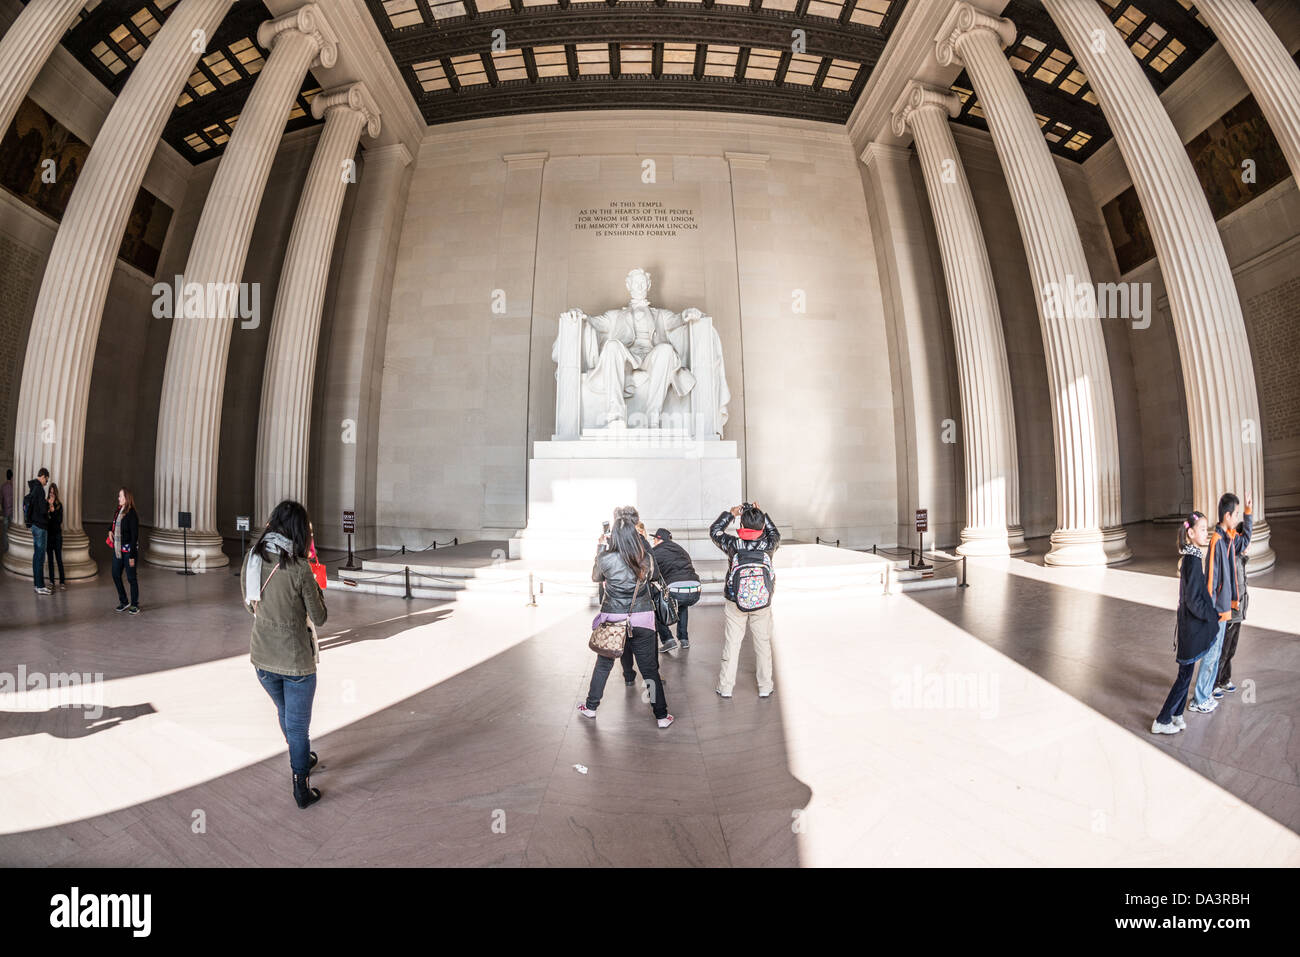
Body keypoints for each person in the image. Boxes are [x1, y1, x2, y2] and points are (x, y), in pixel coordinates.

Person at [241, 500, 328, 808]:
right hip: (295, 662)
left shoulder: (252, 558)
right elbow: (319, 617)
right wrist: (315, 587)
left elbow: (249, 603)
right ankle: (301, 787)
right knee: (298, 726)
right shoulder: (301, 568)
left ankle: (299, 753)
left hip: (262, 657)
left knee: (285, 714)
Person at [579, 507, 673, 728]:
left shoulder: (606, 558)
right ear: (635, 534)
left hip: (613, 618)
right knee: (649, 668)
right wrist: (643, 544)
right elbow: (656, 576)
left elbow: (595, 576)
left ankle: (591, 707)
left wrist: (601, 546)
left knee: (603, 663)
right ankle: (661, 716)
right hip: (642, 617)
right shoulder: (645, 558)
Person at [1152, 512, 1221, 734]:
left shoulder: (1193, 556)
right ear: (1190, 533)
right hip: (1190, 629)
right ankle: (1162, 720)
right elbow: (1192, 600)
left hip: (1189, 627)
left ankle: (1176, 714)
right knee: (1184, 677)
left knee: (1186, 673)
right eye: (1201, 529)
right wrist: (1210, 615)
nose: (1205, 532)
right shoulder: (1191, 560)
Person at [1189, 493, 1252, 713]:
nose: (1237, 519)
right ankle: (1199, 699)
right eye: (1236, 515)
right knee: (1211, 657)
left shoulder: (1229, 537)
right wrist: (1211, 612)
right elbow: (1211, 580)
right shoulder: (1217, 540)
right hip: (1217, 611)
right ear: (1226, 516)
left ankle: (1204, 695)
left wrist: (1247, 513)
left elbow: (1244, 541)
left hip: (1225, 608)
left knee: (1215, 657)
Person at [711, 502, 780, 699]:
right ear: (761, 526)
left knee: (732, 644)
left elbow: (714, 531)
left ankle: (725, 687)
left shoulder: (733, 545)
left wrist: (731, 514)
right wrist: (761, 514)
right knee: (763, 644)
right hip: (762, 602)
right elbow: (775, 533)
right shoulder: (769, 544)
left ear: (742, 525)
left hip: (735, 601)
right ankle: (765, 686)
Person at [1214, 513, 1252, 700]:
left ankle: (1224, 679)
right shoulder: (1233, 558)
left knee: (1231, 649)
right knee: (1223, 649)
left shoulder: (1242, 560)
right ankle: (1214, 683)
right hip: (1231, 612)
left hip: (1239, 613)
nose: (1248, 545)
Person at [651, 528, 701, 652]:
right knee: (682, 605)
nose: (653, 542)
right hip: (695, 589)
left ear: (658, 539)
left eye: (654, 539)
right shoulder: (680, 549)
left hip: (676, 590)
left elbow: (652, 573)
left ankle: (668, 640)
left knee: (655, 605)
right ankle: (684, 639)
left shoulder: (655, 551)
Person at [109, 488, 141, 613]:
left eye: (120, 496)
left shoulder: (132, 514)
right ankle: (124, 601)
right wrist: (109, 531)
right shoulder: (118, 511)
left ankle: (135, 604)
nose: (118, 498)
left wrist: (132, 556)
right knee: (115, 574)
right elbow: (112, 524)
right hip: (118, 550)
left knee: (131, 578)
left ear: (126, 498)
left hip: (129, 552)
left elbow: (135, 536)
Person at [24, 468, 51, 595]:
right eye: (47, 479)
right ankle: (40, 586)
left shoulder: (33, 487)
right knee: (40, 557)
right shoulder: (39, 489)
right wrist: (48, 505)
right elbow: (42, 510)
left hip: (34, 526)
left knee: (36, 556)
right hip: (40, 527)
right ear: (43, 476)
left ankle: (37, 584)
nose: (46, 482)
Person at [45, 483, 66, 588]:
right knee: (50, 560)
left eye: (53, 492)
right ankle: (52, 582)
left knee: (58, 559)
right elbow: (45, 520)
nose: (51, 494)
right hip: (48, 536)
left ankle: (62, 581)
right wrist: (48, 509)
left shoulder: (59, 505)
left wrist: (53, 510)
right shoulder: (45, 503)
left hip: (57, 536)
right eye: (50, 492)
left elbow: (59, 521)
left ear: (56, 493)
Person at [1, 468, 12, 552]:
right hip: (12, 512)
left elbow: (1, 499)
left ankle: (5, 548)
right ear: (12, 477)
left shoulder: (3, 487)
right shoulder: (13, 487)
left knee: (4, 532)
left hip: (5, 511)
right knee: (11, 531)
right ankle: (10, 548)